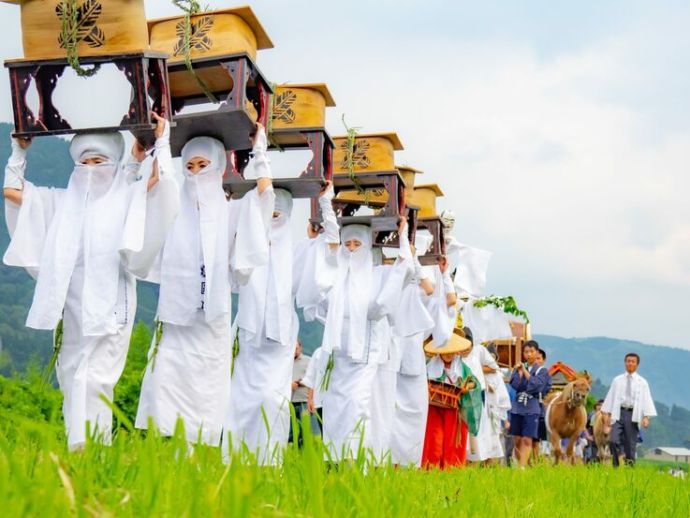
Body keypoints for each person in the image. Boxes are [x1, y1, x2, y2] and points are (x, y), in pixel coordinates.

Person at [3, 114, 179, 450]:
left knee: (96, 378)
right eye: (84, 162)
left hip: (112, 305)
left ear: (112, 164)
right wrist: (18, 151)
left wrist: (161, 142)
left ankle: (94, 448)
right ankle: (77, 447)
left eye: (99, 162)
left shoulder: (126, 196)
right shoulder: (59, 202)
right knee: (72, 376)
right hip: (71, 307)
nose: (90, 170)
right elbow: (13, 192)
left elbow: (160, 182)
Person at [135, 125, 273, 448]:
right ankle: (167, 461)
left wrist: (260, 152)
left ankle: (195, 466)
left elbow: (265, 199)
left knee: (204, 400)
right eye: (190, 167)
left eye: (203, 166)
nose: (196, 174)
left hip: (210, 326)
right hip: (174, 322)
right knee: (165, 391)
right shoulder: (173, 211)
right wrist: (160, 144)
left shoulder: (232, 212)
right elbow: (151, 198)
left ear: (217, 168)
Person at [226, 181, 339, 464]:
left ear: (288, 215)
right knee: (242, 398)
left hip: (280, 336)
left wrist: (326, 203)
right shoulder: (245, 245)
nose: (272, 219)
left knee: (271, 398)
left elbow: (331, 250)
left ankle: (269, 459)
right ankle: (235, 459)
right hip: (249, 333)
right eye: (268, 214)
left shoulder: (298, 252)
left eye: (278, 214)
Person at [298, 219, 413, 463]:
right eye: (347, 244)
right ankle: (334, 461)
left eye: (357, 244)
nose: (351, 250)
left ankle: (356, 462)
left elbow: (400, 277)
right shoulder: (335, 279)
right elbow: (316, 291)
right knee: (334, 408)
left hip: (364, 356)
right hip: (337, 358)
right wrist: (316, 240)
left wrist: (403, 239)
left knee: (357, 405)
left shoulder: (378, 275)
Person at [422, 328, 481, 469]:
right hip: (434, 408)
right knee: (434, 439)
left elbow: (475, 383)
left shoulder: (462, 367)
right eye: (445, 350)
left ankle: (452, 469)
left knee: (453, 441)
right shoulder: (429, 366)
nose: (448, 354)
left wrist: (468, 387)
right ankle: (432, 469)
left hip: (455, 410)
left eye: (451, 350)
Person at [602, 353, 657, 467]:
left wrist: (646, 417)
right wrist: (607, 414)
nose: (630, 363)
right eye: (628, 361)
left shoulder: (642, 382)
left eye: (633, 361)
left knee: (630, 445)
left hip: (633, 414)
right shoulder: (617, 380)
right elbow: (610, 397)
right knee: (613, 440)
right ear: (625, 363)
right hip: (618, 413)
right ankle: (615, 465)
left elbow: (647, 399)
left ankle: (630, 469)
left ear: (637, 364)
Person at [509, 340, 549, 467]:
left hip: (532, 407)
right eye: (526, 352)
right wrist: (519, 372)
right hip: (517, 406)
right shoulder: (519, 368)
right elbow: (514, 385)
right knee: (517, 439)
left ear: (536, 352)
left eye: (532, 351)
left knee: (527, 438)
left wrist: (525, 372)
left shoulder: (542, 371)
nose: (529, 354)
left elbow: (536, 386)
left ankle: (522, 467)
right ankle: (523, 463)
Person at [483, 343, 512, 465]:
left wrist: (504, 418)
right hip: (480, 409)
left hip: (492, 410)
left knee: (492, 437)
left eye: (493, 357)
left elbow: (503, 397)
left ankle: (489, 463)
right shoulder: (478, 372)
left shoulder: (498, 375)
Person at [290, 340, 320, 443]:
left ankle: (307, 453)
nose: (294, 351)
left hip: (304, 401)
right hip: (290, 402)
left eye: (296, 349)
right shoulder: (286, 362)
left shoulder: (308, 361)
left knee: (307, 432)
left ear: (300, 347)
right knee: (292, 433)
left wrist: (297, 383)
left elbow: (313, 379)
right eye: (292, 349)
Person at [531, 348, 551, 461]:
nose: (536, 361)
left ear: (543, 360)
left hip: (539, 408)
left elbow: (544, 390)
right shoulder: (528, 372)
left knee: (537, 437)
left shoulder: (546, 374)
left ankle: (537, 460)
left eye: (539, 358)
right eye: (535, 358)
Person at [302, 345, 326, 437]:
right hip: (320, 400)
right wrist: (310, 399)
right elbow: (311, 378)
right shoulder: (318, 352)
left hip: (338, 400)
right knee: (324, 431)